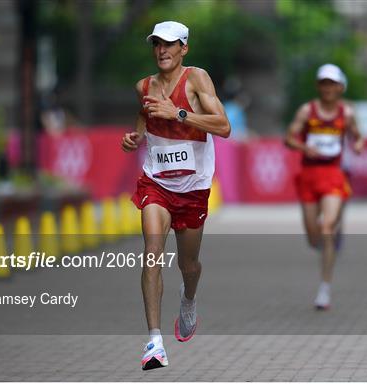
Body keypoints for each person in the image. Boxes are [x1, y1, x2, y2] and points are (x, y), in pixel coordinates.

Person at [121, 20, 230, 370]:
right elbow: (143, 115)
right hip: (157, 184)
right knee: (151, 252)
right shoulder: (144, 86)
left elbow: (224, 127)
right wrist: (135, 137)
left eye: (169, 44)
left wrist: (178, 112)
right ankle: (154, 341)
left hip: (194, 188)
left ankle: (189, 298)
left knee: (189, 265)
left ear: (184, 48)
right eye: (156, 44)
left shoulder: (197, 79)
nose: (161, 51)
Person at [285, 63, 364, 310]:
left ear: (340, 87)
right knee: (313, 237)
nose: (327, 88)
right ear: (318, 86)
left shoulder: (347, 113)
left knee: (327, 226)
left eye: (332, 83)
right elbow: (288, 138)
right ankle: (320, 239)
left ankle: (325, 288)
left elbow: (357, 135)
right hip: (309, 176)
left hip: (333, 175)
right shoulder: (307, 111)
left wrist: (359, 144)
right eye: (323, 83)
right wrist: (303, 147)